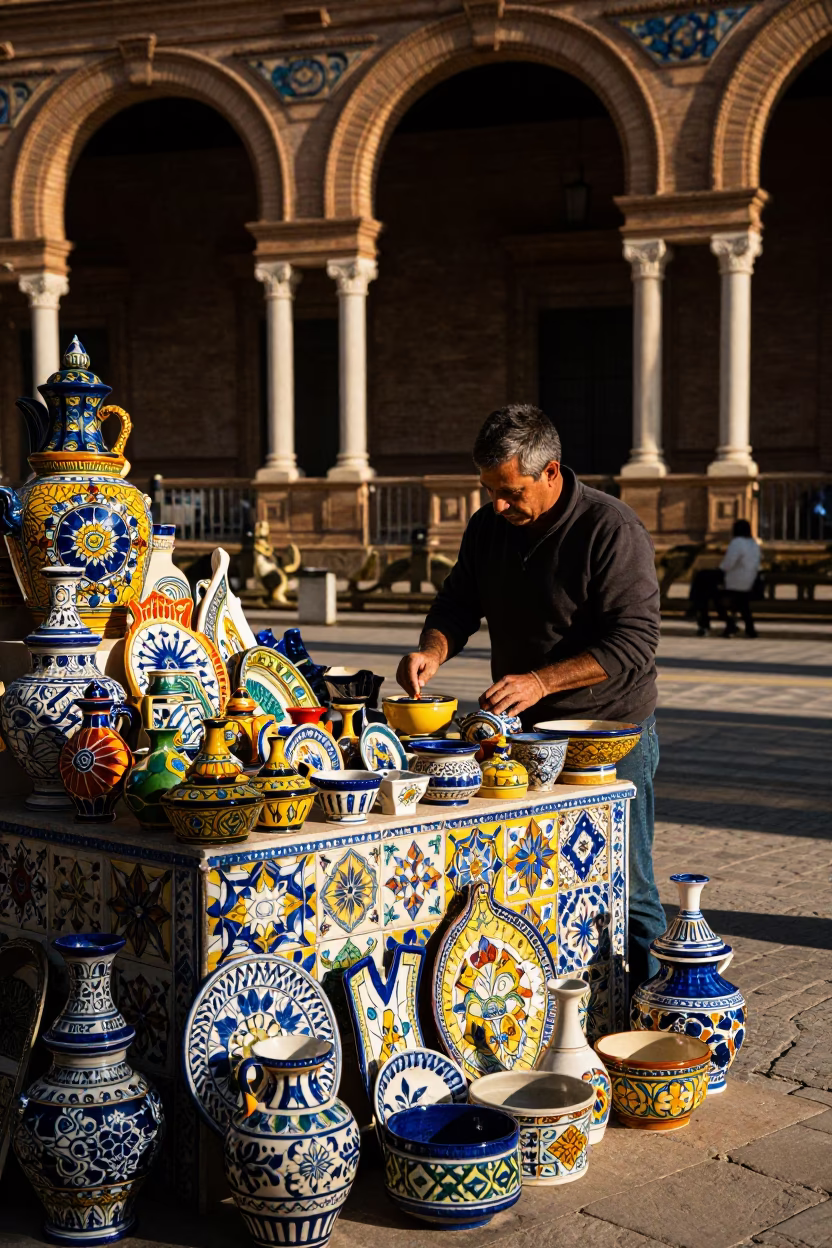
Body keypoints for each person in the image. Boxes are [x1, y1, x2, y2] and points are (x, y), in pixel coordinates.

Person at [396, 404, 666, 991]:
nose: (497, 504)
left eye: (510, 491)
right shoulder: (487, 527)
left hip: (609, 735)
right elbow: (457, 604)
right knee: (537, 875)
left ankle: (650, 1020)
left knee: (630, 882)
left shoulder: (610, 528)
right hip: (523, 736)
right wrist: (433, 649)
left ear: (552, 472)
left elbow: (635, 641)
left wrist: (541, 680)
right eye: (489, 490)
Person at [719, 519, 762, 638]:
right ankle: (748, 628)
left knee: (714, 596)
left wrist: (721, 569)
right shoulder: (754, 543)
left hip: (735, 580)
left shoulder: (737, 542)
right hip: (749, 580)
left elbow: (728, 563)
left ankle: (730, 624)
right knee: (743, 604)